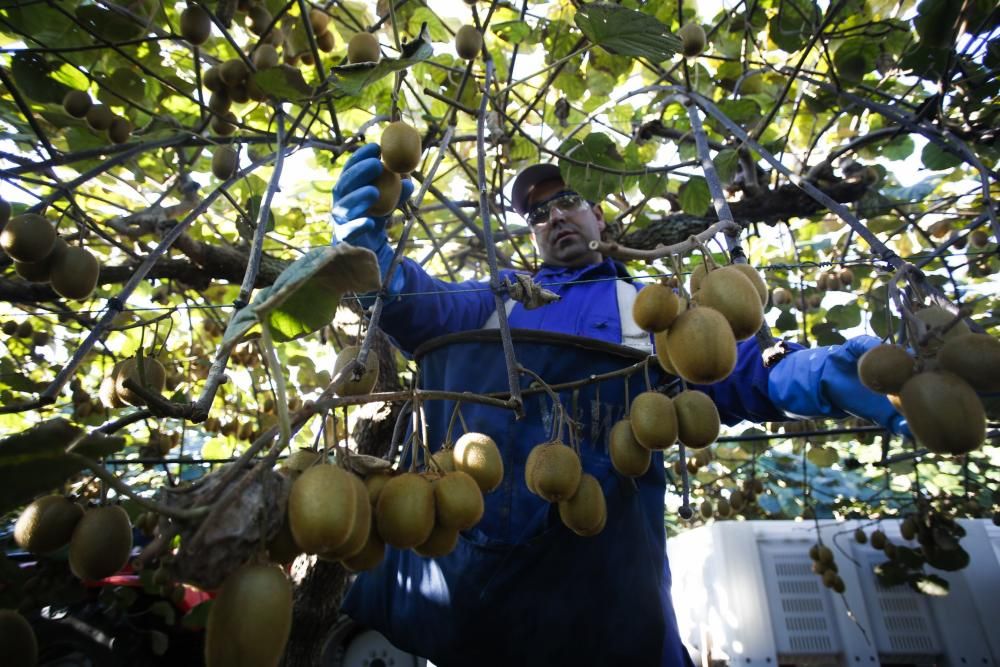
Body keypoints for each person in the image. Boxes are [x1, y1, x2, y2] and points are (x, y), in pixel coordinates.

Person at [329, 144, 908, 666]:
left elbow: (750, 374)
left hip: (605, 600)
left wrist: (845, 371)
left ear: (598, 217)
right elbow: (413, 303)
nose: (553, 216)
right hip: (475, 600)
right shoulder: (497, 300)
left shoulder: (654, 314)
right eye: (537, 214)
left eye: (567, 201)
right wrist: (367, 255)